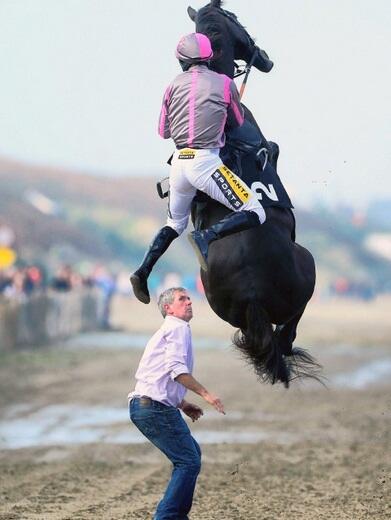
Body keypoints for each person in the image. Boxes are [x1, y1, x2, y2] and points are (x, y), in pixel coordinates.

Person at [130, 32, 266, 304]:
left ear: (181, 60)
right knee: (256, 211)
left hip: (179, 165)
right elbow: (237, 122)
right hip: (206, 164)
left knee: (174, 224)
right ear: (210, 57)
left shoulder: (171, 86)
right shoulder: (224, 83)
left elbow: (163, 131)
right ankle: (207, 236)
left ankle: (143, 270)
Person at [128, 287, 225, 519]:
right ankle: (167, 516)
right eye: (183, 299)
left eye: (189, 298)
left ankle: (176, 515)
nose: (189, 302)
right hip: (153, 409)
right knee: (188, 461)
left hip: (147, 406)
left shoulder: (172, 329)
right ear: (168, 308)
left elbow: (158, 376)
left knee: (191, 455)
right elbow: (177, 371)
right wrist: (206, 394)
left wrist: (182, 404)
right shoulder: (177, 327)